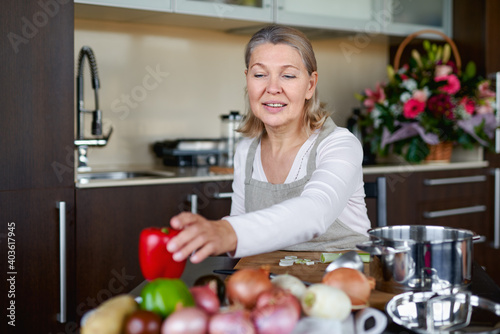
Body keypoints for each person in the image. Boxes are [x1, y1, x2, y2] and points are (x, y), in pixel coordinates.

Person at [167, 25, 371, 264]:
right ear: (247, 80)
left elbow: (315, 212)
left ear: (310, 85)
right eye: (260, 74)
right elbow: (244, 243)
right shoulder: (247, 150)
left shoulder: (340, 144)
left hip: (343, 282)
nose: (272, 88)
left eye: (288, 75)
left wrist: (228, 231)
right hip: (271, 286)